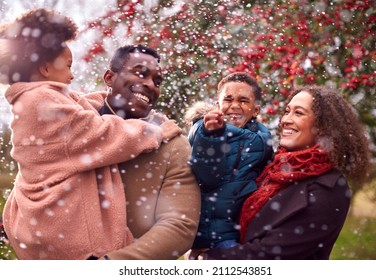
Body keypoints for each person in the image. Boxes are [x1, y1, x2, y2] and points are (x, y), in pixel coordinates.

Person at [0, 9, 180, 260]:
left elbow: (83, 107)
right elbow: (99, 133)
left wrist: (114, 100)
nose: (73, 74)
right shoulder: (41, 100)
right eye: (68, 66)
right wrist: (154, 131)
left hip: (39, 226)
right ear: (44, 68)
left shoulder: (39, 98)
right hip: (61, 228)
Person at [196, 85, 370, 260]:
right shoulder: (271, 169)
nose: (286, 119)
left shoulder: (329, 189)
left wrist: (211, 258)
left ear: (323, 127)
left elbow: (273, 255)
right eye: (287, 111)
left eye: (298, 113)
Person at [96, 44, 201, 260]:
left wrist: (111, 265)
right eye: (140, 73)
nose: (150, 85)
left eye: (157, 81)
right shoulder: (75, 128)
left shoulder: (173, 146)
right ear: (109, 77)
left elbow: (179, 225)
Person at [185, 72, 274, 251]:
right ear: (217, 105)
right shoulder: (203, 132)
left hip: (242, 232)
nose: (234, 106)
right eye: (228, 99)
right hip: (210, 233)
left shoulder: (263, 141)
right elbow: (208, 178)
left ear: (255, 110)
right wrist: (211, 136)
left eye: (243, 100)